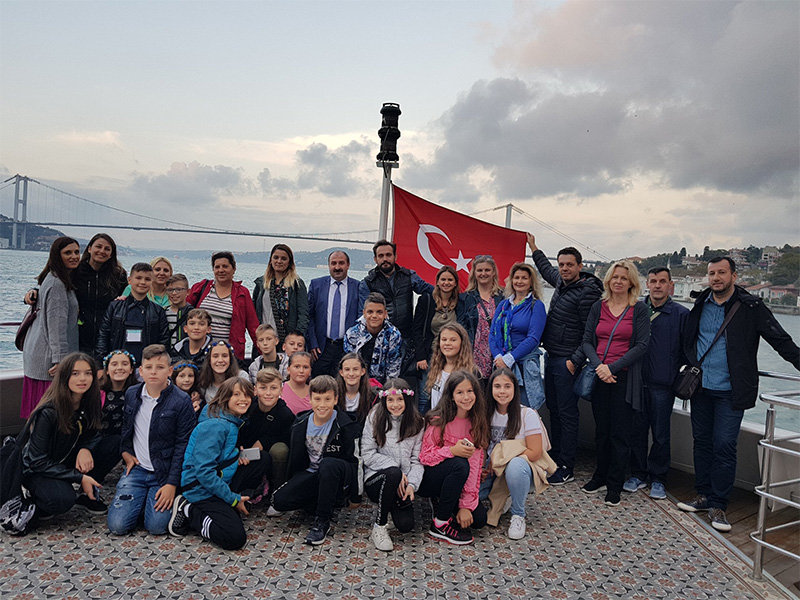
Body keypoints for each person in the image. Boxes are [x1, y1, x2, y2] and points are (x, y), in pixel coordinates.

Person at [676, 257, 799, 532]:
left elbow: (780, 340)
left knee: (724, 445)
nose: (716, 277)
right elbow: (687, 340)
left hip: (731, 390)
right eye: (712, 273)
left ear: (734, 275)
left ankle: (719, 504)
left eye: (722, 272)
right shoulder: (701, 303)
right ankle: (703, 495)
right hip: (700, 389)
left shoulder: (751, 307)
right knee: (702, 443)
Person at [527, 234, 603, 486]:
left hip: (567, 361)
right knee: (555, 410)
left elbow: (590, 332)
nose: (564, 268)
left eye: (569, 264)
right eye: (561, 264)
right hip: (552, 356)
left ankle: (567, 465)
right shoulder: (561, 282)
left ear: (580, 266)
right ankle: (556, 456)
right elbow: (545, 269)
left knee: (567, 413)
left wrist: (574, 360)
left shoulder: (587, 293)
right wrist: (534, 247)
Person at [579, 260, 650, 507]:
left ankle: (615, 484)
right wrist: (600, 366)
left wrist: (613, 367)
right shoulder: (598, 307)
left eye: (623, 278)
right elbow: (587, 341)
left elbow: (642, 345)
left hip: (624, 377)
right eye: (615, 277)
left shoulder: (638, 309)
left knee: (620, 433)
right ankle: (599, 476)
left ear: (631, 283)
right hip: (600, 375)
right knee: (602, 430)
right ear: (608, 280)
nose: (618, 281)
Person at [170, 376, 267, 550]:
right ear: (225, 397)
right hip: (200, 488)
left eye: (246, 395)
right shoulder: (215, 426)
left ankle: (230, 504)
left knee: (262, 459)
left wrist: (235, 457)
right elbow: (204, 472)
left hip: (219, 479)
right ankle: (189, 509)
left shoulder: (231, 420)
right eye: (236, 394)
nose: (243, 399)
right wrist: (233, 499)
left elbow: (219, 456)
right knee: (234, 538)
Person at [107, 344, 195, 536]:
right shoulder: (132, 394)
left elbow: (183, 444)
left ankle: (167, 500)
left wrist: (172, 484)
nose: (153, 372)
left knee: (157, 527)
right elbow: (127, 427)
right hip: (138, 469)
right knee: (117, 526)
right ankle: (140, 501)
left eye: (160, 367)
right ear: (141, 371)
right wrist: (125, 451)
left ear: (169, 371)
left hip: (163, 472)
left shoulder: (181, 401)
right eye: (148, 367)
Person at [271, 375, 361, 545]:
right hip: (312, 474)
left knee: (328, 464)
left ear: (335, 399)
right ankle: (323, 500)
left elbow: (356, 460)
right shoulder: (300, 423)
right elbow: (295, 457)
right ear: (310, 399)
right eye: (317, 399)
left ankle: (322, 521)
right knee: (279, 501)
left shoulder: (346, 425)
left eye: (327, 399)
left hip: (336, 474)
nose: (322, 405)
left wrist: (356, 496)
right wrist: (293, 482)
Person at [624, 267, 689, 500]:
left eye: (662, 281)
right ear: (647, 284)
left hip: (663, 384)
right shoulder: (635, 309)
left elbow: (688, 349)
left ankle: (659, 478)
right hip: (636, 381)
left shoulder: (681, 314)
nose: (658, 285)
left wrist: (674, 371)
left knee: (661, 434)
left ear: (670, 285)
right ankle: (637, 474)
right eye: (653, 281)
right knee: (636, 431)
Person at [21, 353, 103, 528]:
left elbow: (95, 433)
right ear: (64, 376)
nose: (82, 378)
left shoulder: (90, 401)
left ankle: (87, 493)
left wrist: (86, 449)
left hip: (66, 458)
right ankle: (37, 498)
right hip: (38, 469)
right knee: (61, 500)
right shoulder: (49, 412)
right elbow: (37, 461)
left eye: (88, 373)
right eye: (75, 373)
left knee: (113, 444)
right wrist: (79, 477)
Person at [24, 233, 128, 356]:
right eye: (98, 246)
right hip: (78, 336)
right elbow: (53, 290)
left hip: (106, 338)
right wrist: (34, 292)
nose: (102, 251)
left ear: (111, 254)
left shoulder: (118, 275)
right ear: (89, 249)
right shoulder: (75, 271)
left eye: (107, 249)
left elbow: (127, 298)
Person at [418, 370, 489, 545]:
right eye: (460, 392)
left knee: (479, 520)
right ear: (451, 396)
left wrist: (465, 505)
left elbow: (474, 467)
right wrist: (452, 451)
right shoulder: (438, 420)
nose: (466, 397)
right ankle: (440, 524)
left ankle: (446, 502)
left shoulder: (477, 422)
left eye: (470, 391)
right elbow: (424, 457)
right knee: (459, 463)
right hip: (430, 478)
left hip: (458, 480)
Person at [480, 368, 544, 540]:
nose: (502, 391)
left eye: (507, 386)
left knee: (515, 465)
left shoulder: (527, 414)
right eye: (497, 386)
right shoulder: (485, 413)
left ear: (515, 388)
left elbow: (535, 452)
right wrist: (481, 467)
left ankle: (518, 515)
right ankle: (506, 494)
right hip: (491, 470)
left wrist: (501, 459)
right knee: (473, 499)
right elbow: (481, 446)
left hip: (519, 469)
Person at [359, 239, 434, 386]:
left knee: (401, 382)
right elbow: (363, 315)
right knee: (376, 382)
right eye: (381, 256)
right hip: (379, 341)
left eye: (388, 255)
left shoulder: (409, 276)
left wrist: (453, 296)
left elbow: (431, 291)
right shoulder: (368, 282)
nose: (385, 259)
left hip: (405, 338)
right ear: (375, 259)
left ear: (395, 256)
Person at [21, 237, 82, 418]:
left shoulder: (53, 277)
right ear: (57, 255)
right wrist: (60, 360)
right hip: (48, 360)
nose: (74, 256)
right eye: (68, 253)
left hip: (38, 353)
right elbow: (57, 325)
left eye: (77, 252)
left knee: (38, 415)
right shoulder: (57, 284)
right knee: (48, 416)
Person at [361, 379, 425, 551]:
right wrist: (394, 469)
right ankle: (379, 526)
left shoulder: (418, 422)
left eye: (399, 399)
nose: (395, 405)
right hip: (378, 477)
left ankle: (390, 507)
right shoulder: (375, 417)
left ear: (407, 399)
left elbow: (416, 460)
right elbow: (367, 453)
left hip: (403, 481)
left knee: (406, 525)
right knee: (393, 474)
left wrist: (412, 484)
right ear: (384, 400)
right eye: (390, 400)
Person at [86, 350, 140, 511]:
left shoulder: (137, 392)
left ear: (131, 369)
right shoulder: (97, 392)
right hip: (97, 441)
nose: (119, 368)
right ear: (107, 370)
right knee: (116, 443)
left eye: (125, 364)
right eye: (114, 364)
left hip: (127, 438)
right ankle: (89, 485)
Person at [489, 262, 547, 409]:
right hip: (502, 366)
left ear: (531, 282)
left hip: (524, 366)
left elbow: (533, 338)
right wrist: (498, 357)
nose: (519, 281)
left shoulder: (536, 306)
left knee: (525, 410)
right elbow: (493, 333)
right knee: (502, 409)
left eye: (524, 278)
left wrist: (510, 358)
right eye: (516, 278)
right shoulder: (503, 305)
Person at [186, 251, 259, 365]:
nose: (221, 270)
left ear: (234, 269)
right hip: (201, 354)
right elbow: (184, 313)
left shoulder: (242, 293)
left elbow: (253, 325)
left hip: (228, 355)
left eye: (225, 266)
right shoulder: (201, 287)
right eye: (217, 267)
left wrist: (264, 353)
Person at [237, 367, 294, 509]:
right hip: (245, 455)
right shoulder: (248, 408)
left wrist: (264, 442)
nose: (268, 393)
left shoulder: (285, 415)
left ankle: (277, 491)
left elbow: (287, 439)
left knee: (279, 450)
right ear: (255, 390)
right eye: (263, 388)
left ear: (281, 390)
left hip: (271, 457)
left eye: (273, 388)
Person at [96, 262, 170, 366]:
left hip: (146, 365)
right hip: (118, 364)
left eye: (147, 279)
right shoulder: (115, 307)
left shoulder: (158, 311)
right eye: (138, 278)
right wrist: (102, 364)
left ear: (152, 282)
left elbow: (164, 341)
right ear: (129, 280)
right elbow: (103, 336)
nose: (142, 282)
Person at [308, 251, 361, 377]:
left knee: (342, 384)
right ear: (329, 265)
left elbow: (361, 317)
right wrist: (312, 343)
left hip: (346, 348)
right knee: (318, 384)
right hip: (321, 348)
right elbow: (309, 316)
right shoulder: (316, 285)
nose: (337, 267)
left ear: (348, 265)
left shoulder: (358, 287)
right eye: (333, 263)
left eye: (341, 263)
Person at [414, 265, 460, 411]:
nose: (446, 283)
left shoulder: (461, 302)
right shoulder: (426, 300)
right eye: (443, 279)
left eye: (450, 280)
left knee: (451, 393)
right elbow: (417, 329)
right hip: (430, 355)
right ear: (437, 282)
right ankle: (424, 423)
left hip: (453, 356)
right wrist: (420, 356)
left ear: (455, 283)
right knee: (425, 395)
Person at [457, 255, 505, 388]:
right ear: (474, 273)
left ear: (493, 272)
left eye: (487, 270)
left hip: (497, 355)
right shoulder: (465, 298)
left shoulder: (503, 297)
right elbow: (460, 327)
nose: (483, 273)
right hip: (473, 357)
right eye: (480, 270)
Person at [253, 243, 309, 346]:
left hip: (287, 341)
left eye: (283, 259)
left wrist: (296, 337)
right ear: (270, 260)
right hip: (264, 340)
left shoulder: (296, 284)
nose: (279, 261)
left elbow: (303, 314)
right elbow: (253, 311)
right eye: (276, 257)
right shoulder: (261, 283)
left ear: (289, 262)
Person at [344, 292, 403, 385]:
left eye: (379, 312)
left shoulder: (394, 335)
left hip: (383, 385)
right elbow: (350, 365)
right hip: (356, 382)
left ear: (385, 314)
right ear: (364, 313)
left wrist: (386, 390)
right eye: (370, 312)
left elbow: (393, 368)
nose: (374, 316)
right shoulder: (352, 334)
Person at [424, 323, 477, 412]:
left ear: (462, 343)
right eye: (444, 339)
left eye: (453, 340)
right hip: (436, 419)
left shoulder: (472, 372)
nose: (447, 343)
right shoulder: (436, 368)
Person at [335, 352, 376, 424]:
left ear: (362, 371)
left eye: (355, 369)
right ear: (341, 372)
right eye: (347, 369)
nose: (351, 374)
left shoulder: (373, 397)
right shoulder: (333, 394)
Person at [165, 274, 193, 349]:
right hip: (167, 353)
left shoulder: (192, 313)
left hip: (185, 352)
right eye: (170, 290)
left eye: (179, 290)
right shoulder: (163, 312)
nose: (174, 293)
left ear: (188, 292)